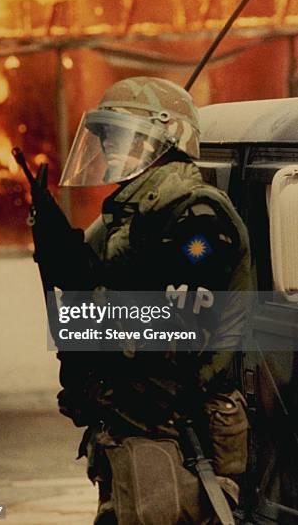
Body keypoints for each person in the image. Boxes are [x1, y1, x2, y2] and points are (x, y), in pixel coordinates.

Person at [52, 77, 252, 524]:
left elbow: (178, 330)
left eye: (121, 137)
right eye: (105, 138)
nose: (108, 149)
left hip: (176, 427)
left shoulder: (196, 215)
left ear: (165, 138)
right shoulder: (128, 211)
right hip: (126, 422)